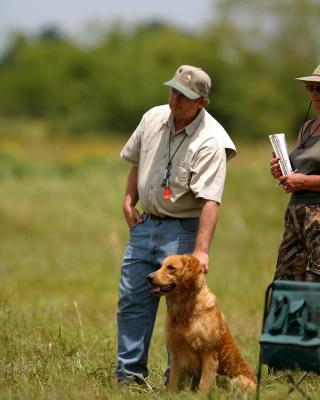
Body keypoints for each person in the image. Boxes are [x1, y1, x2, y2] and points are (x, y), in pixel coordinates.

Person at [115, 65, 236, 385]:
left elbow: (211, 199)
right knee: (132, 300)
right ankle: (129, 377)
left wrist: (201, 251)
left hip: (182, 229)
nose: (175, 99)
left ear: (202, 102)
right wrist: (129, 200)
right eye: (173, 91)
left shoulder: (211, 141)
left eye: (185, 96)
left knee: (183, 309)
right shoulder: (153, 117)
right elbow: (138, 160)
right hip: (144, 225)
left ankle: (179, 380)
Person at [270, 64, 320, 282]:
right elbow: (299, 168)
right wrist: (281, 170)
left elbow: (304, 177)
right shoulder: (308, 127)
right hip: (296, 214)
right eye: (310, 87)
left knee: (316, 281)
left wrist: (303, 181)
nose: (314, 93)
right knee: (286, 280)